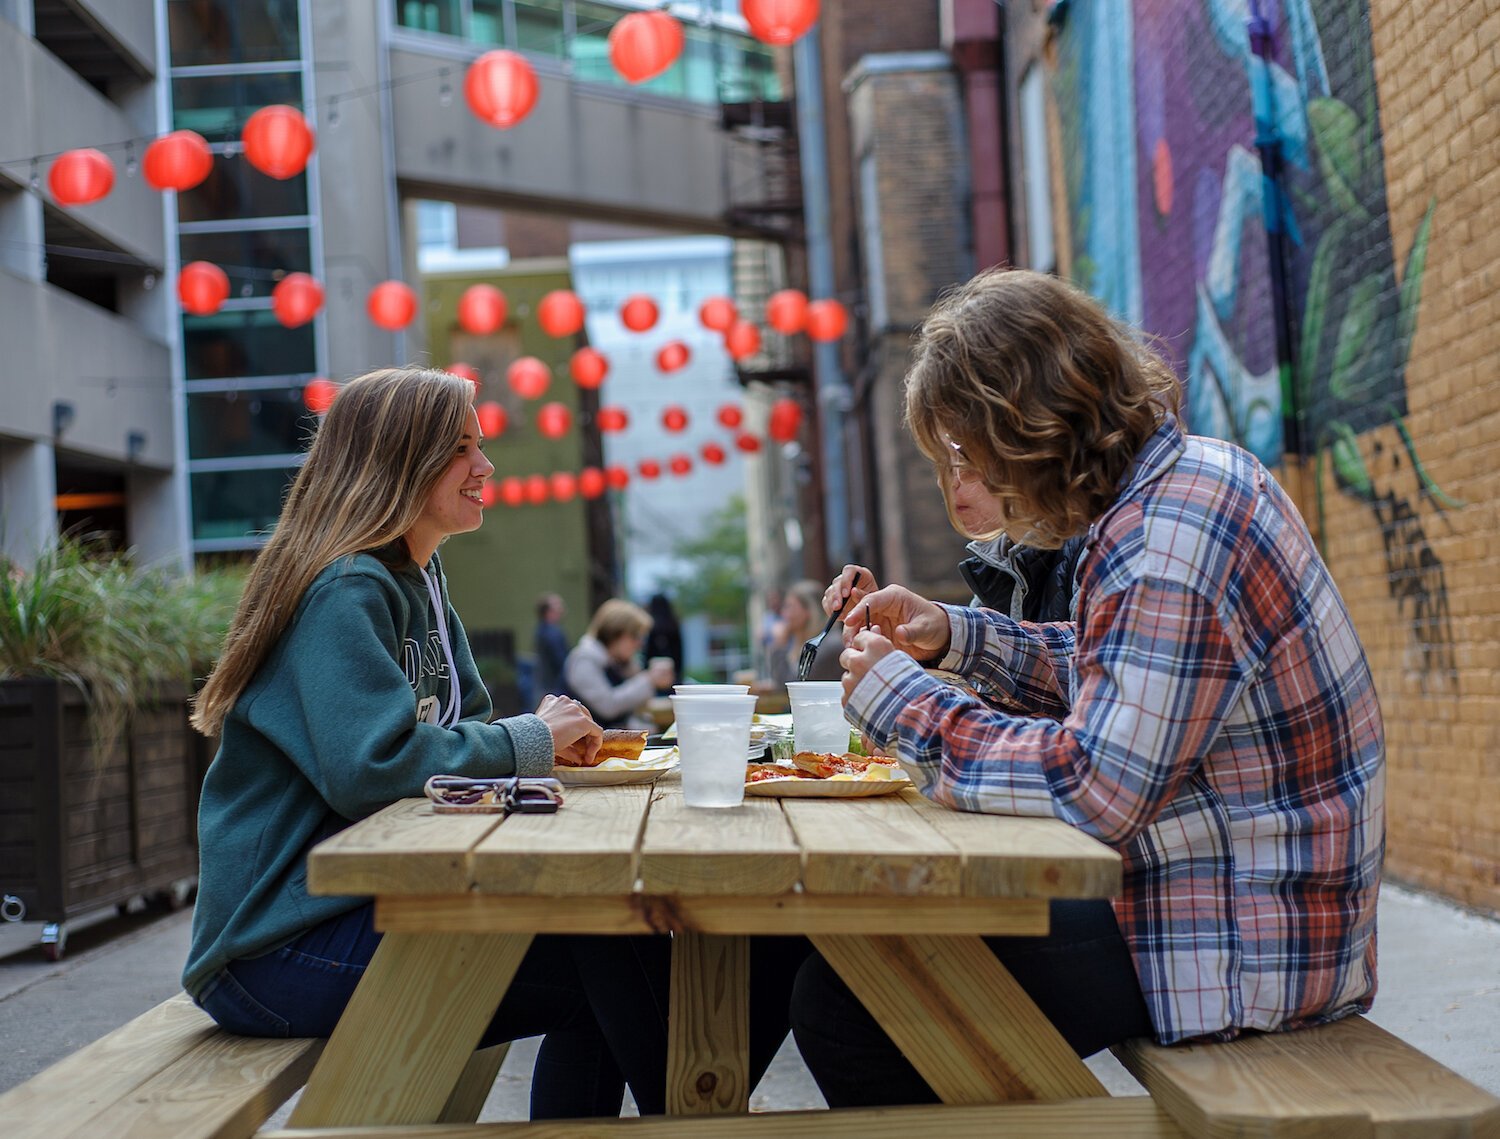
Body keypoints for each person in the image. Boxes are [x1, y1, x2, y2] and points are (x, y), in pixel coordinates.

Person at [791, 268, 1385, 1107]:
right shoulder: (1168, 492)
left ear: (1024, 425)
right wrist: (954, 634)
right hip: (1220, 890)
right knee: (855, 953)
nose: (959, 484)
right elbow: (1112, 667)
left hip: (1243, 934)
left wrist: (903, 702)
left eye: (962, 454)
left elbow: (1094, 786)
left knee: (851, 1002)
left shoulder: (1167, 537)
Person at [182, 367, 638, 1119]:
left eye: (478, 445)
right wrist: (526, 739)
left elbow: (467, 731)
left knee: (613, 947)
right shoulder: (345, 590)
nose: (485, 465)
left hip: (358, 905)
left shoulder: (421, 582)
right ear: (397, 461)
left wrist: (540, 746)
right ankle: (694, 1112)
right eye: (460, 448)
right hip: (270, 947)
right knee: (613, 967)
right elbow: (373, 767)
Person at [563, 598, 673, 729]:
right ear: (615, 634)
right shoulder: (584, 659)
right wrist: (648, 680)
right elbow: (607, 706)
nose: (639, 644)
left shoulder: (615, 661)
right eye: (635, 636)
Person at [766, 580, 823, 686]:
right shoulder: (797, 644)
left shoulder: (827, 646)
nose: (784, 614)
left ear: (809, 611)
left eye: (789, 607)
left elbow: (788, 687)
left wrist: (779, 645)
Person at [643, 592, 684, 691]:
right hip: (672, 674)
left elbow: (648, 653)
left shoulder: (651, 627)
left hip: (654, 675)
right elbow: (679, 654)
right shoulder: (674, 625)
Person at [533, 592, 570, 698]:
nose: (562, 610)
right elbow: (562, 661)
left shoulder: (541, 630)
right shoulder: (553, 633)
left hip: (546, 684)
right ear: (548, 611)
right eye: (558, 607)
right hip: (555, 686)